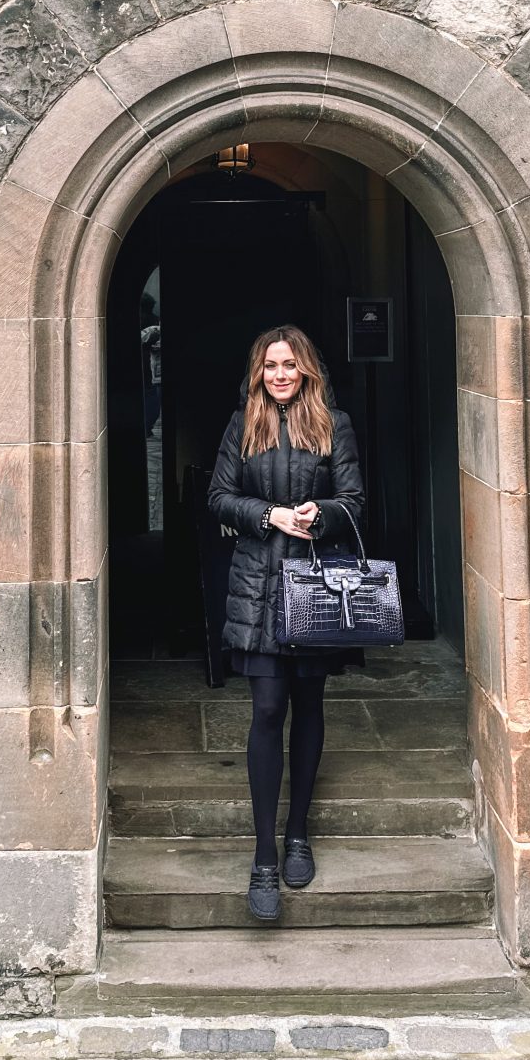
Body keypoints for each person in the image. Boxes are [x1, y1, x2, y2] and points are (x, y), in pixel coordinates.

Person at [207, 325, 365, 922]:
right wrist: (269, 514)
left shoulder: (333, 424)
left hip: (317, 587)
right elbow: (219, 497)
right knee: (268, 710)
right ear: (259, 371)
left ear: (306, 371)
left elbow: (354, 499)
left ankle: (299, 832)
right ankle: (264, 856)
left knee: (309, 704)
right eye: (271, 365)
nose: (280, 374)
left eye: (290, 364)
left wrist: (318, 513)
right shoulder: (240, 424)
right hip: (258, 586)